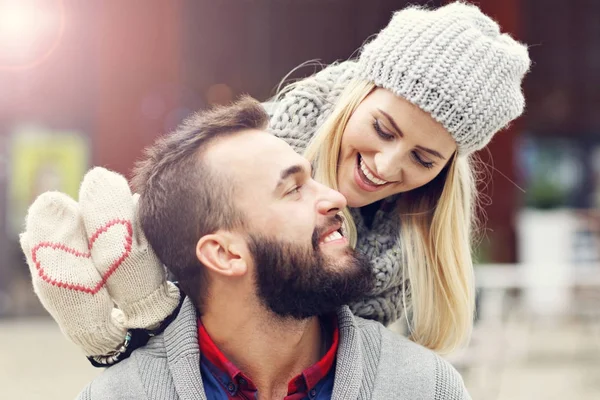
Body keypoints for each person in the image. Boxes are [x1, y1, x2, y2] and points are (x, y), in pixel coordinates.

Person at [20, 1, 530, 360]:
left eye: (423, 158)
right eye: (382, 129)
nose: (387, 165)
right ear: (358, 93)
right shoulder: (239, 152)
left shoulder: (417, 248)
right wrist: (116, 344)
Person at [54, 96, 467, 399]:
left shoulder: (425, 386)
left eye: (314, 178)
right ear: (224, 254)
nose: (335, 198)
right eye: (294, 190)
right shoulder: (118, 396)